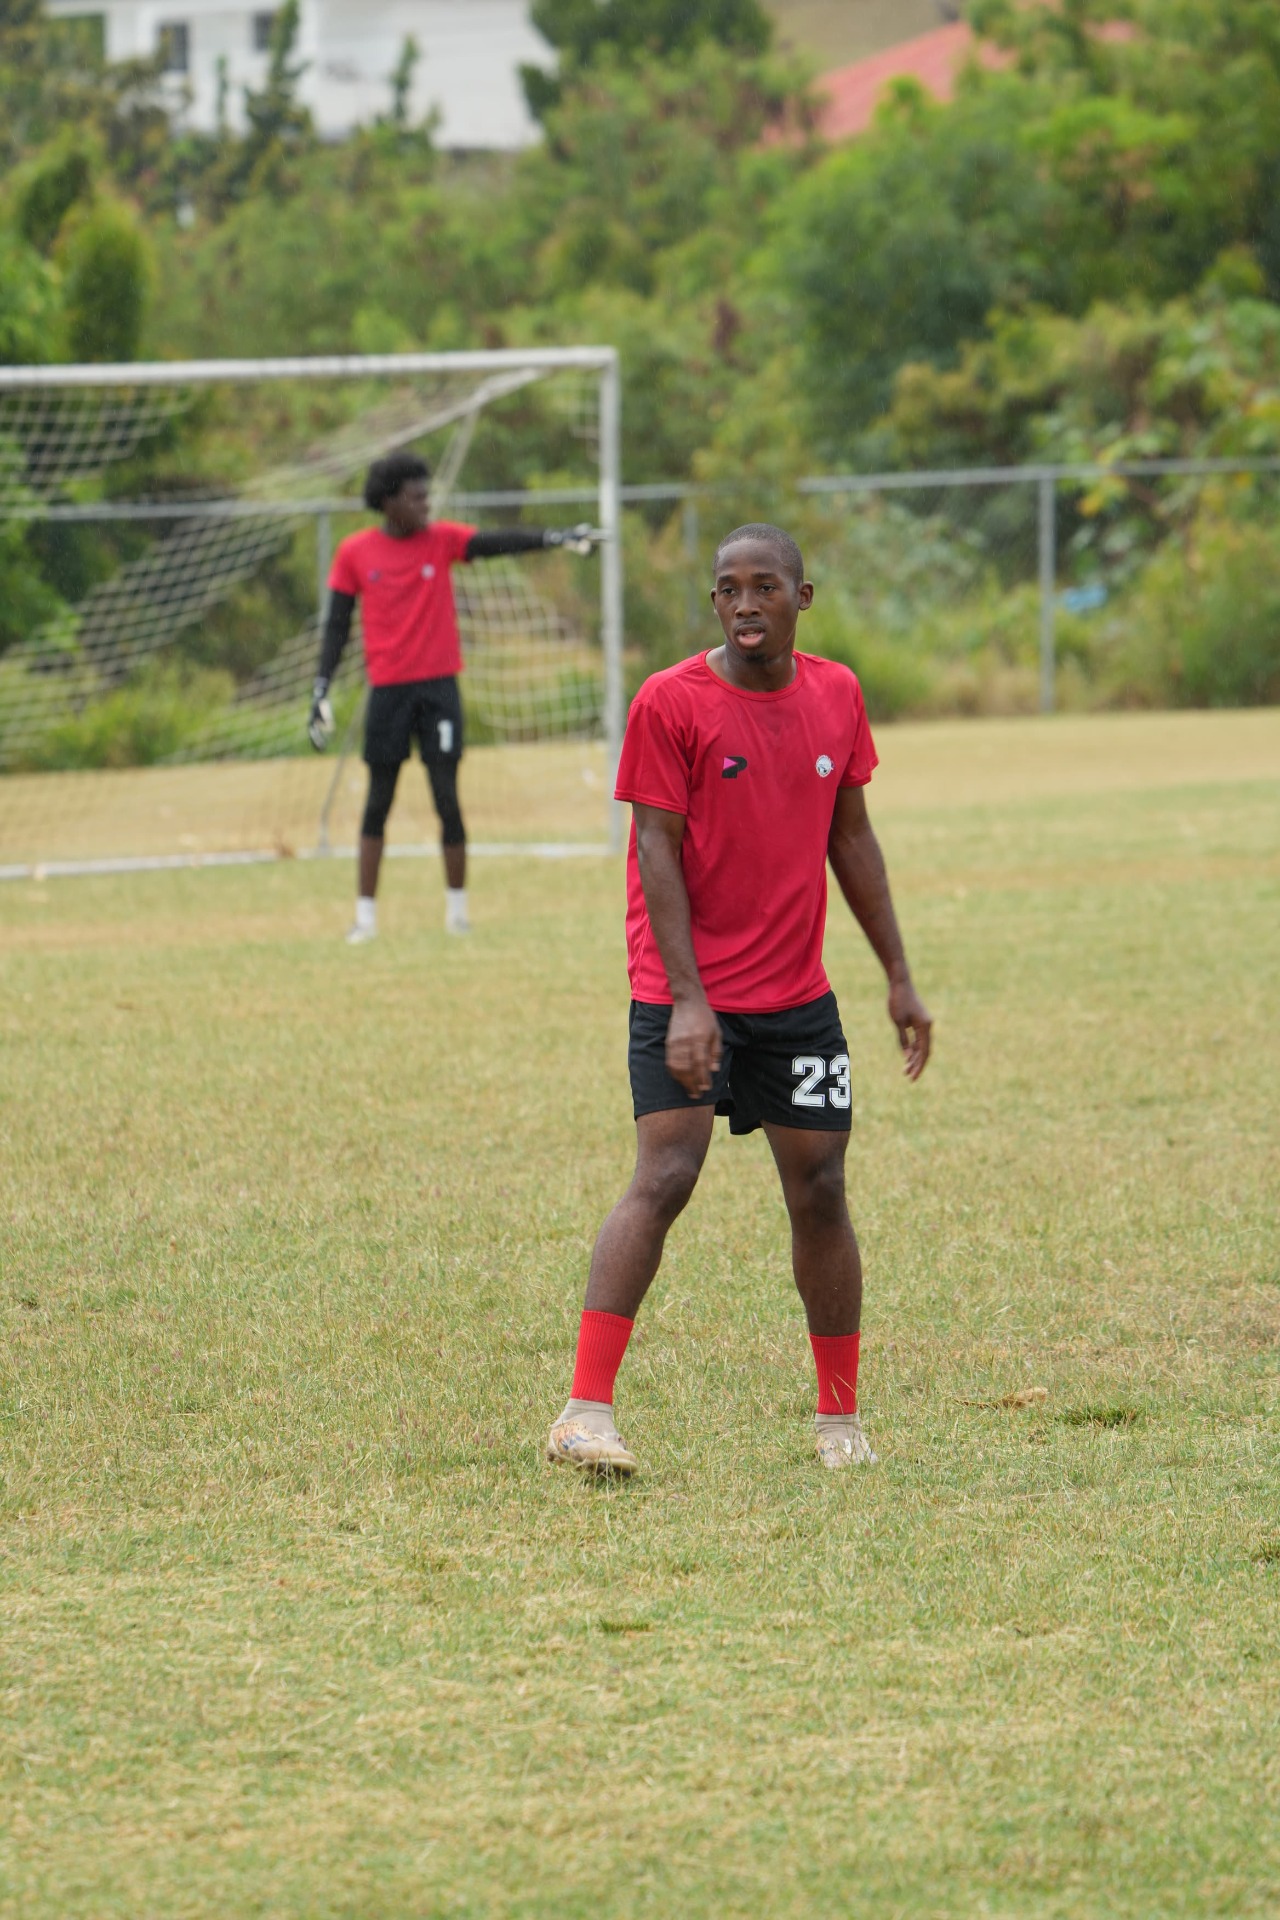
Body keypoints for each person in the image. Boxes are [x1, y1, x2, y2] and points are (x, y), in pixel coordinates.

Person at [546, 522, 932, 1476]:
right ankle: (583, 1415)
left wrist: (896, 974)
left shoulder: (837, 695)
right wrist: (688, 1001)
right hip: (683, 993)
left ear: (804, 596)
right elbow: (655, 847)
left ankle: (839, 1421)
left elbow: (852, 838)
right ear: (715, 602)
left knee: (822, 1188)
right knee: (667, 1176)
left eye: (765, 585)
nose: (746, 602)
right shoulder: (671, 701)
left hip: (796, 999)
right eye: (728, 588)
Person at [307, 451, 597, 942]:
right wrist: (321, 687)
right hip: (388, 694)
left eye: (428, 496)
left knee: (447, 798)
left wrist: (556, 537)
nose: (426, 505)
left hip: (438, 690)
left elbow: (494, 543)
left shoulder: (440, 541)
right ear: (389, 501)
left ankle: (458, 915)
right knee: (378, 801)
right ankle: (365, 918)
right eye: (416, 497)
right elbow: (336, 625)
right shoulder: (355, 552)